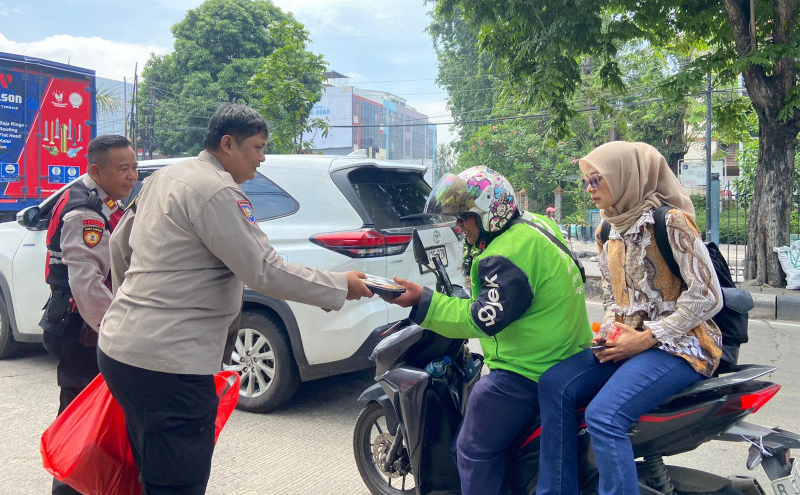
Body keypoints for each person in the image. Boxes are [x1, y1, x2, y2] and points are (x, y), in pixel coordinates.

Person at [97, 103, 373, 495]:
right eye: (257, 147)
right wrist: (339, 285)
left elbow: (120, 246)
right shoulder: (219, 191)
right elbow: (264, 270)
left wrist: (135, 308)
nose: (262, 158)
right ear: (228, 144)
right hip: (169, 364)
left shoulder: (165, 176)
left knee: (152, 466)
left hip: (122, 351)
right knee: (179, 482)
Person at [388, 166, 591, 495]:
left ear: (485, 214)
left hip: (528, 370)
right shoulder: (540, 225)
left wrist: (422, 301)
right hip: (570, 353)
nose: (458, 226)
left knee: (471, 449)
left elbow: (478, 319)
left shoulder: (505, 255)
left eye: (463, 218)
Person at [536, 141, 724, 495]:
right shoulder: (607, 230)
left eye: (597, 181)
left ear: (626, 178)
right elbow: (614, 299)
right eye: (586, 182)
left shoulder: (669, 222)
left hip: (681, 345)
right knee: (554, 385)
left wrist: (648, 337)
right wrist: (610, 332)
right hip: (631, 342)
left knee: (605, 417)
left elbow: (709, 296)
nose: (591, 190)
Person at [39, 135, 138, 495]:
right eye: (123, 169)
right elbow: (89, 287)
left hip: (82, 327)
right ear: (96, 170)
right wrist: (117, 334)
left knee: (92, 421)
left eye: (134, 167)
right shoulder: (85, 212)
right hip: (82, 331)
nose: (131, 176)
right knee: (79, 423)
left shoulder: (100, 200)